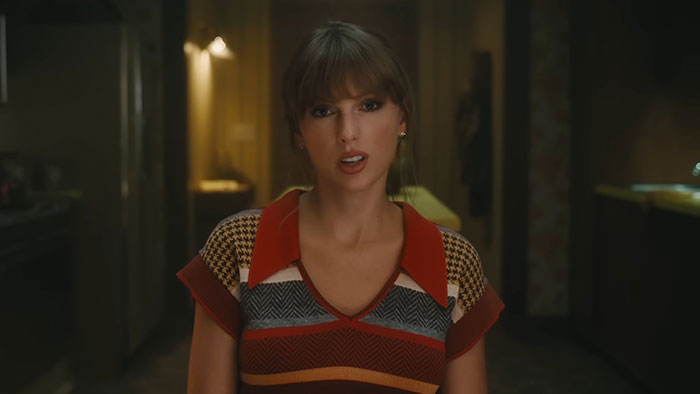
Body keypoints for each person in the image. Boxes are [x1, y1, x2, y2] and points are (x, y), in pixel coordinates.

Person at [177, 21, 504, 394]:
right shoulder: (237, 246)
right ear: (298, 131)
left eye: (369, 105)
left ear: (402, 119)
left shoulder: (455, 263)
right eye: (323, 110)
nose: (348, 132)